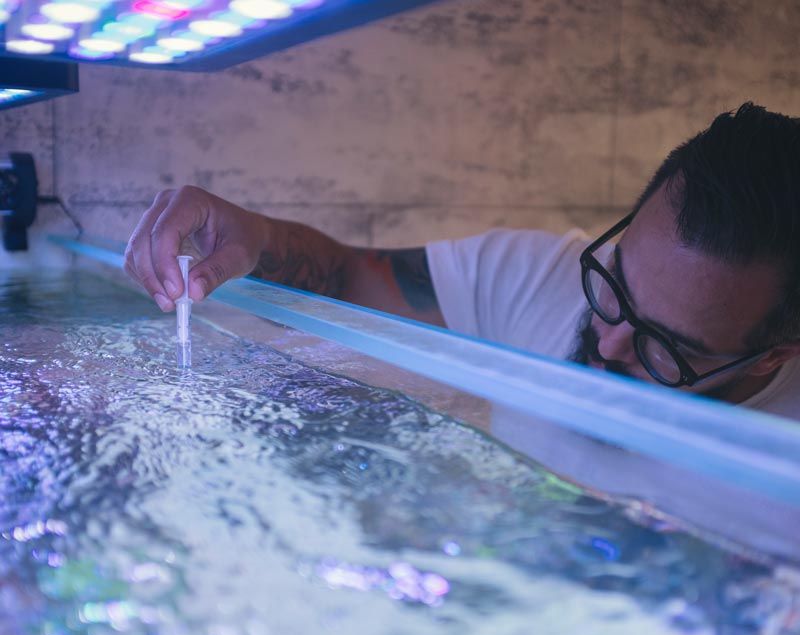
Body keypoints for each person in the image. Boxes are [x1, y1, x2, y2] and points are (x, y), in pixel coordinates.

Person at [125, 102, 800, 420]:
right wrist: (258, 238)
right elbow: (350, 277)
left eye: (669, 349)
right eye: (616, 285)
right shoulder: (534, 277)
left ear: (775, 355)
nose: (610, 339)